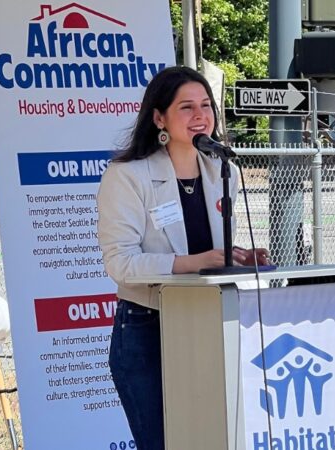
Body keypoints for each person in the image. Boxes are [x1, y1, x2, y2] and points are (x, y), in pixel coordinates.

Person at [96, 66, 269, 449]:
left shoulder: (223, 170)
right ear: (159, 118)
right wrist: (194, 261)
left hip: (207, 321)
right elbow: (120, 263)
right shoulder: (128, 175)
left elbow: (210, 252)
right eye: (186, 107)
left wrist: (235, 256)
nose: (200, 116)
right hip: (146, 328)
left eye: (206, 106)